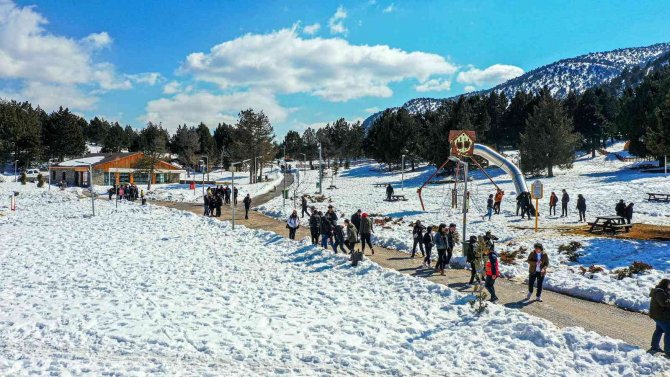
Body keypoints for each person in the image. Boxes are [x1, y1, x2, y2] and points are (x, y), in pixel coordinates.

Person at [649, 278, 670, 355]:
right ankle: (668, 351)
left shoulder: (662, 291)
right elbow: (664, 303)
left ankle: (655, 347)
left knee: (659, 330)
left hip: (658, 315)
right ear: (665, 284)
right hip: (661, 316)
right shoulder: (659, 292)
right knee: (669, 332)